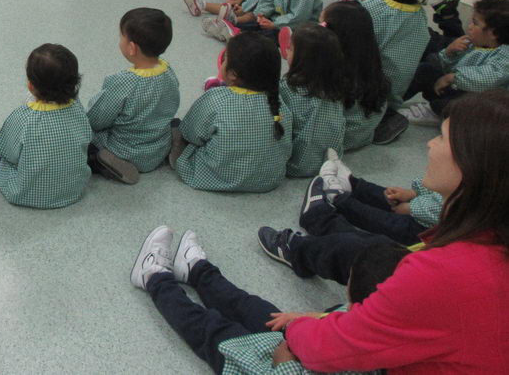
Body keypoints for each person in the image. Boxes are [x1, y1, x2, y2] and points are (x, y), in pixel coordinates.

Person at [255, 89, 509, 373]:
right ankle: (316, 222)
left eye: (442, 138)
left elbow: (329, 349)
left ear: (473, 166)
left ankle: (311, 228)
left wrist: (297, 325)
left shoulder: (448, 274)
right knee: (368, 247)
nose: (429, 144)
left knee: (256, 329)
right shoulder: (488, 231)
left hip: (380, 351)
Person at [130, 224, 406, 375]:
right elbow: (343, 316)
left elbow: (285, 359)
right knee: (248, 305)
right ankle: (198, 271)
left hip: (267, 365)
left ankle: (154, 278)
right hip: (299, 341)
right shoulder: (390, 317)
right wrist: (309, 318)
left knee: (208, 328)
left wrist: (284, 363)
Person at [0, 43, 92, 209]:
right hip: (74, 191)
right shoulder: (78, 109)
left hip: (25, 193)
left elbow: (5, 151)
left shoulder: (22, 117)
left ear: (31, 85)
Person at [171, 32, 290, 193]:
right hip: (268, 180)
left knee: (176, 129)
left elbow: (191, 134)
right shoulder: (280, 104)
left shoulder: (217, 98)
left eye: (225, 58)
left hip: (211, 177)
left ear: (233, 74)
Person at [86, 8, 181, 184]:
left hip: (123, 150)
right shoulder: (168, 71)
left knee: (86, 139)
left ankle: (107, 163)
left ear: (131, 48)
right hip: (159, 145)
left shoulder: (123, 82)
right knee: (174, 121)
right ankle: (174, 143)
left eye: (121, 36)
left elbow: (97, 119)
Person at [363, 0, 438, 144]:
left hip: (366, 88)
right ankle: (385, 116)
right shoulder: (421, 16)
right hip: (396, 93)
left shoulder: (373, 8)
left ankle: (373, 121)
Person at [296, 148, 443, 246]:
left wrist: (412, 207)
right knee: (388, 196)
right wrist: (413, 193)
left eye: (442, 138)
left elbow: (446, 209)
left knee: (383, 220)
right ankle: (352, 184)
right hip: (430, 207)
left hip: (430, 229)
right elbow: (438, 189)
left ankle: (337, 200)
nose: (432, 142)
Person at [401, 0, 509, 125]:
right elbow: (445, 66)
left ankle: (436, 112)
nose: (469, 26)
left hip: (476, 103)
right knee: (425, 69)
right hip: (451, 89)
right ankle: (389, 102)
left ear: (493, 33)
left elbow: (488, 78)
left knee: (458, 105)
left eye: (475, 23)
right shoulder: (472, 43)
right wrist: (449, 52)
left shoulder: (505, 55)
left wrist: (453, 78)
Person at [280, 23, 347, 177]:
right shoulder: (336, 89)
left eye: (290, 49)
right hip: (328, 161)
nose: (285, 51)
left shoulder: (287, 88)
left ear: (302, 59)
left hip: (292, 164)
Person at [321, 0, 389, 150]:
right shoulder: (372, 67)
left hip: (330, 143)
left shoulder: (331, 74)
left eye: (321, 25)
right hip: (362, 138)